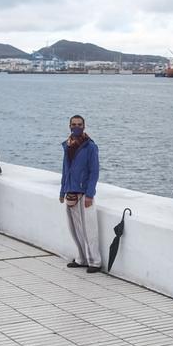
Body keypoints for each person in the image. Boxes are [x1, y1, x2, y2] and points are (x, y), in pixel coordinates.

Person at [59, 115, 101, 273]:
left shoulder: (90, 147)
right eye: (73, 124)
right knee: (75, 229)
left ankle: (95, 262)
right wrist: (62, 190)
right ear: (69, 125)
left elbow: (94, 171)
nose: (76, 127)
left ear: (84, 126)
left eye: (79, 124)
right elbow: (65, 170)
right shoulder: (68, 145)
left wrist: (90, 194)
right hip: (71, 192)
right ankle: (81, 258)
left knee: (89, 229)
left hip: (84, 194)